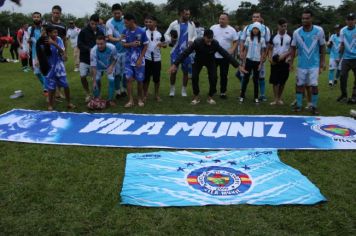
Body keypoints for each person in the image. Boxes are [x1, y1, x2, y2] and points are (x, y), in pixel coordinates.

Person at [169, 29, 242, 105]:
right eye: (208, 39)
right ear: (204, 37)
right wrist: (175, 64)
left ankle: (210, 96)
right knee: (194, 77)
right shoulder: (197, 42)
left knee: (214, 77)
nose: (209, 42)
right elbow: (185, 53)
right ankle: (196, 96)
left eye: (211, 39)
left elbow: (225, 54)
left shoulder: (215, 43)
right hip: (198, 61)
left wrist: (237, 65)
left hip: (210, 61)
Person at [290, 9, 326, 115]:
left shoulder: (319, 31)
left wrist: (323, 61)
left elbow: (322, 46)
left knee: (314, 85)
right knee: (299, 85)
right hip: (301, 64)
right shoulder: (297, 32)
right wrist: (291, 63)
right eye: (303, 18)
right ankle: (299, 105)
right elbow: (292, 48)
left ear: (312, 19)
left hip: (314, 64)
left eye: (307, 18)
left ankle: (313, 107)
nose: (304, 20)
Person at [36, 26, 75, 111]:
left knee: (66, 85)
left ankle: (69, 103)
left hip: (59, 66)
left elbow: (62, 51)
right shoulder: (43, 40)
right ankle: (50, 104)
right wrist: (39, 61)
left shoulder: (59, 39)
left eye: (56, 32)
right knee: (51, 87)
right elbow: (40, 52)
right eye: (54, 32)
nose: (56, 34)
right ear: (49, 33)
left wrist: (54, 43)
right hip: (49, 67)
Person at [165, 8, 197, 97]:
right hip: (175, 52)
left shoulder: (191, 24)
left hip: (187, 52)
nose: (188, 16)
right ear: (181, 14)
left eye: (188, 14)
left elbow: (195, 35)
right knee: (173, 71)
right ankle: (172, 89)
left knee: (186, 72)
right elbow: (166, 34)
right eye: (186, 14)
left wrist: (192, 40)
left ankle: (184, 90)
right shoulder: (174, 24)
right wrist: (171, 40)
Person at [240, 12, 271, 101]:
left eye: (257, 17)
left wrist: (265, 55)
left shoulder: (265, 28)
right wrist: (242, 52)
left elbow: (268, 43)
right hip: (248, 57)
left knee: (260, 76)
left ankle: (262, 94)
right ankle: (242, 94)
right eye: (254, 17)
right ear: (252, 18)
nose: (255, 18)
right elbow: (242, 40)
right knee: (244, 75)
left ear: (261, 18)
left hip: (259, 58)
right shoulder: (247, 28)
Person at [121, 13, 148, 108]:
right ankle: (130, 100)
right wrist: (131, 44)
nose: (125, 24)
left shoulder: (141, 31)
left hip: (139, 60)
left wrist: (140, 58)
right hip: (128, 60)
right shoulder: (124, 31)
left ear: (132, 21)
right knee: (128, 79)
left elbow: (145, 45)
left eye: (126, 22)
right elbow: (123, 45)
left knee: (140, 81)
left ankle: (140, 99)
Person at [210, 13, 238, 99]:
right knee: (213, 75)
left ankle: (223, 92)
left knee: (224, 75)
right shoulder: (213, 28)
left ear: (227, 20)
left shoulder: (232, 30)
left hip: (225, 57)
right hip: (213, 55)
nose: (221, 20)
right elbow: (207, 38)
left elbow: (236, 41)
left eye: (223, 19)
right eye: (220, 19)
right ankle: (213, 90)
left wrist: (232, 50)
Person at [77, 14, 104, 102]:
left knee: (97, 78)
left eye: (96, 24)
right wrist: (89, 49)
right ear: (89, 21)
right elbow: (79, 44)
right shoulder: (83, 31)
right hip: (84, 58)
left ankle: (98, 94)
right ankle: (88, 93)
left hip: (96, 60)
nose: (94, 26)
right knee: (82, 76)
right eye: (92, 24)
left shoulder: (100, 31)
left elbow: (104, 43)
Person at [268, 18, 292, 105]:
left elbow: (292, 49)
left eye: (285, 26)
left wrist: (286, 57)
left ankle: (280, 97)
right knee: (275, 81)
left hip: (285, 61)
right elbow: (270, 48)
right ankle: (276, 99)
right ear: (278, 26)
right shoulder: (273, 36)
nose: (284, 28)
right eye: (282, 26)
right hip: (275, 61)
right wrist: (270, 58)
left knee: (282, 81)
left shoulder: (290, 36)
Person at [143, 16, 166, 102]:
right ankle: (145, 95)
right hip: (147, 58)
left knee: (156, 79)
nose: (148, 23)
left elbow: (165, 44)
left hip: (157, 59)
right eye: (147, 22)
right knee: (146, 78)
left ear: (155, 23)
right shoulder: (144, 33)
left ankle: (156, 95)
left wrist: (162, 44)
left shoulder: (160, 34)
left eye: (150, 22)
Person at [106, 3, 127, 98]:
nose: (117, 15)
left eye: (119, 13)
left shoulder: (126, 20)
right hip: (116, 53)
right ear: (112, 13)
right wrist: (119, 39)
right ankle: (118, 91)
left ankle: (124, 90)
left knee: (126, 73)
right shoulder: (109, 23)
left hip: (127, 51)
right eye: (115, 13)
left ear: (122, 12)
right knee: (117, 73)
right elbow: (109, 37)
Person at [90, 35, 118, 106]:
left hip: (109, 65)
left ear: (105, 42)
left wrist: (111, 66)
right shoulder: (93, 51)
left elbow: (115, 58)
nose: (99, 46)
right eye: (97, 44)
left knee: (111, 80)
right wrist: (94, 82)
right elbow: (93, 67)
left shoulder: (112, 47)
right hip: (98, 67)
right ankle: (97, 98)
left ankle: (110, 100)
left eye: (101, 44)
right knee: (96, 80)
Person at [338, 13, 356, 104]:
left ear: (355, 20)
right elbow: (342, 44)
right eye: (348, 19)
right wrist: (339, 57)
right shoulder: (342, 30)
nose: (350, 21)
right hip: (346, 58)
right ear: (346, 21)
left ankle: (354, 96)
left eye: (352, 19)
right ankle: (344, 95)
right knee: (342, 76)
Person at [28, 11, 47, 95]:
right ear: (32, 18)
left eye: (37, 17)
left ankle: (46, 89)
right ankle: (46, 86)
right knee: (37, 73)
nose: (36, 18)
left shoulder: (43, 29)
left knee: (43, 71)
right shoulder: (30, 29)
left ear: (40, 18)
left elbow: (43, 41)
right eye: (34, 17)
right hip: (34, 54)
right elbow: (30, 40)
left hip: (43, 53)